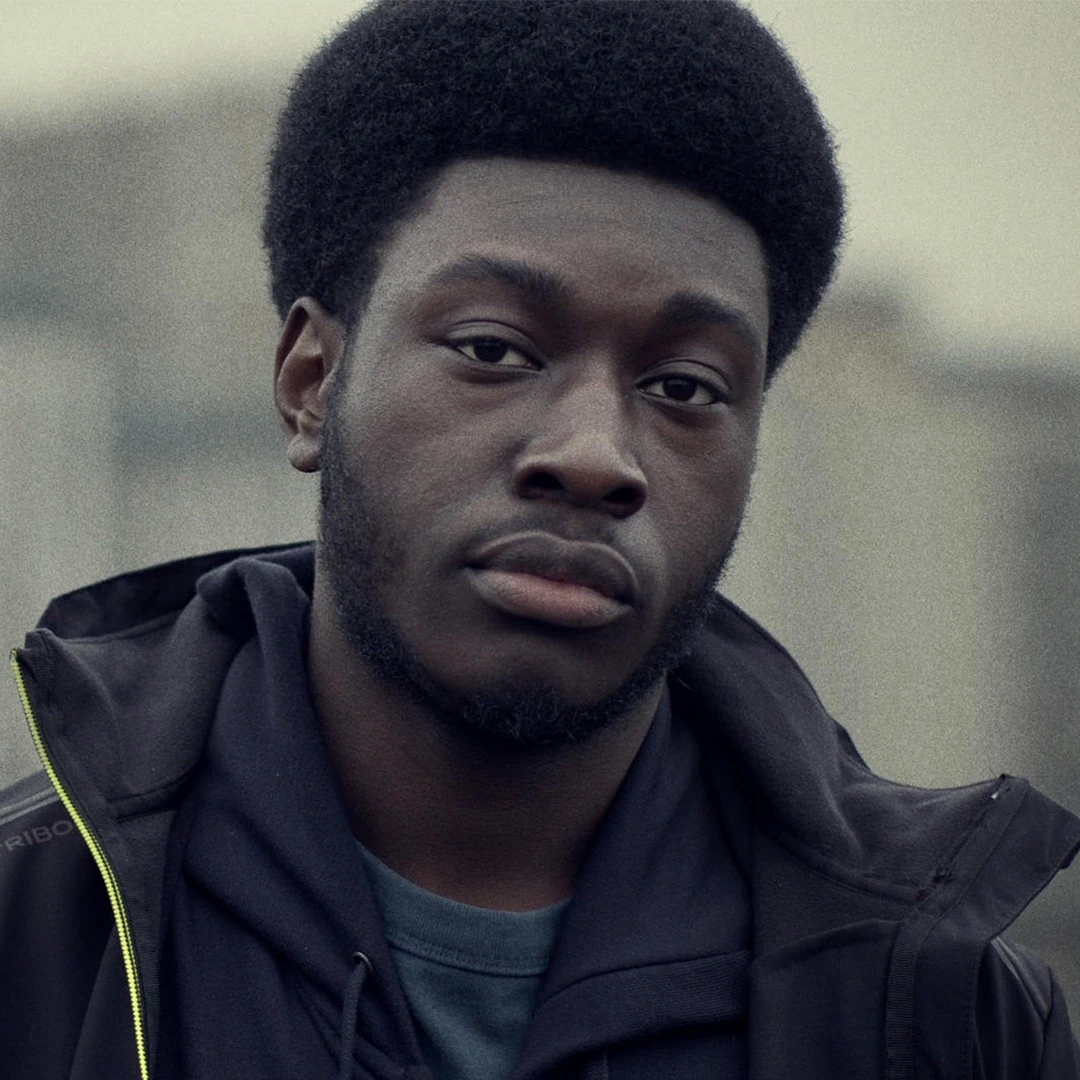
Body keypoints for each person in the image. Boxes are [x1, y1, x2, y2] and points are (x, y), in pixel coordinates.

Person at [2, 1, 1078, 1077]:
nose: (595, 455)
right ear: (311, 382)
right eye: (494, 350)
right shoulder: (31, 936)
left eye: (685, 386)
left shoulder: (952, 1022)